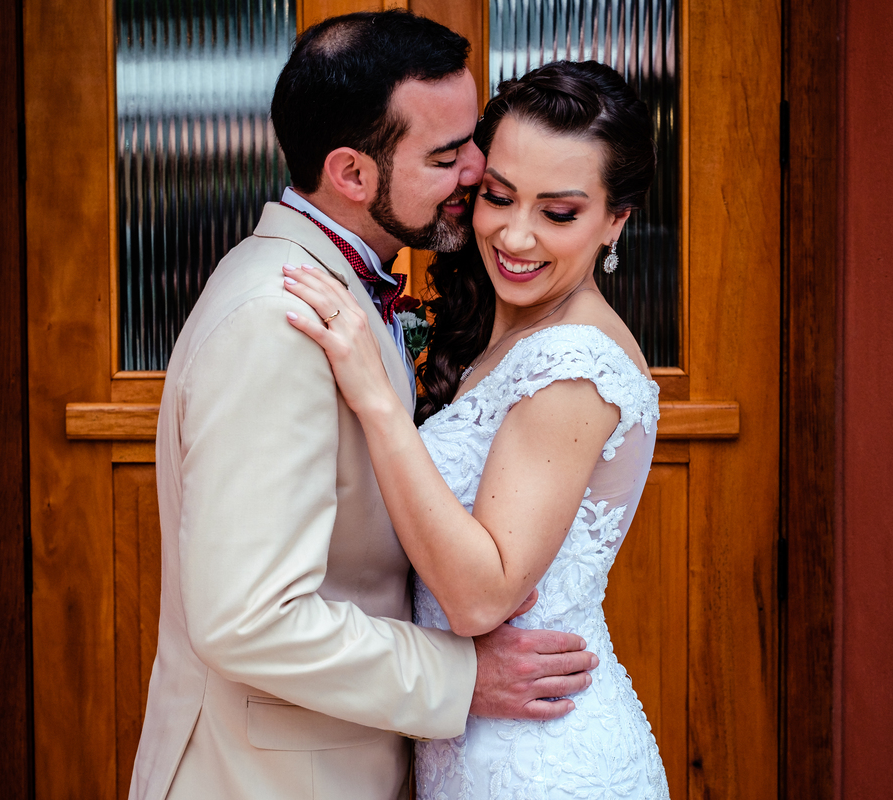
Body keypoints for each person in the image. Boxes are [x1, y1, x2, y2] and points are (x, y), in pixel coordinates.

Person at [128, 13, 597, 800]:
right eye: (447, 156)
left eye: (471, 140)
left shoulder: (339, 289)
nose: (478, 171)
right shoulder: (276, 324)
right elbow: (249, 618)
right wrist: (461, 677)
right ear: (351, 173)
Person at [284, 60, 671, 798]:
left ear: (615, 220)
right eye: (499, 197)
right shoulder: (513, 334)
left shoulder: (573, 363)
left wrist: (375, 401)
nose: (516, 236)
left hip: (544, 762)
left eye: (558, 213)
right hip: (478, 735)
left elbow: (479, 597)